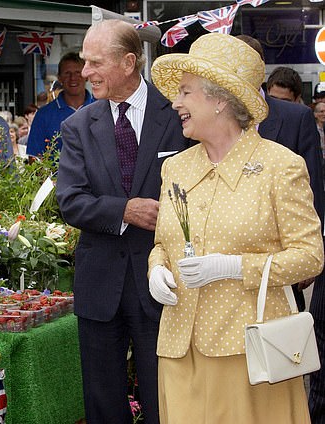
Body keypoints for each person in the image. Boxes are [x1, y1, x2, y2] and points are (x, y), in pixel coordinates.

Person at [148, 32, 323, 423]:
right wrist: (156, 269)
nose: (175, 102)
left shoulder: (281, 165)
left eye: (186, 92)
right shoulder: (175, 167)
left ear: (220, 99)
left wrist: (233, 267)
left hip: (251, 353)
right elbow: (162, 242)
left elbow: (310, 258)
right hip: (179, 349)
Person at [55, 20, 189, 424]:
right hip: (100, 286)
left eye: (95, 63)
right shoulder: (78, 126)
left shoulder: (180, 117)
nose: (85, 73)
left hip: (163, 282)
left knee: (163, 396)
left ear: (129, 62)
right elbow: (71, 202)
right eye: (84, 62)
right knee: (102, 402)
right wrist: (124, 210)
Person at [236, 35, 324, 313]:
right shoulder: (210, 117)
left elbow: (314, 188)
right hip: (226, 258)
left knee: (283, 344)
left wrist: (310, 252)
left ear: (260, 69)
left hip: (281, 259)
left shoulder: (295, 118)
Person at [27, 52, 94, 157]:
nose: (73, 78)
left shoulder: (101, 109)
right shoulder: (43, 115)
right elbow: (34, 157)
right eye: (67, 73)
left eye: (78, 72)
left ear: (86, 75)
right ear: (59, 78)